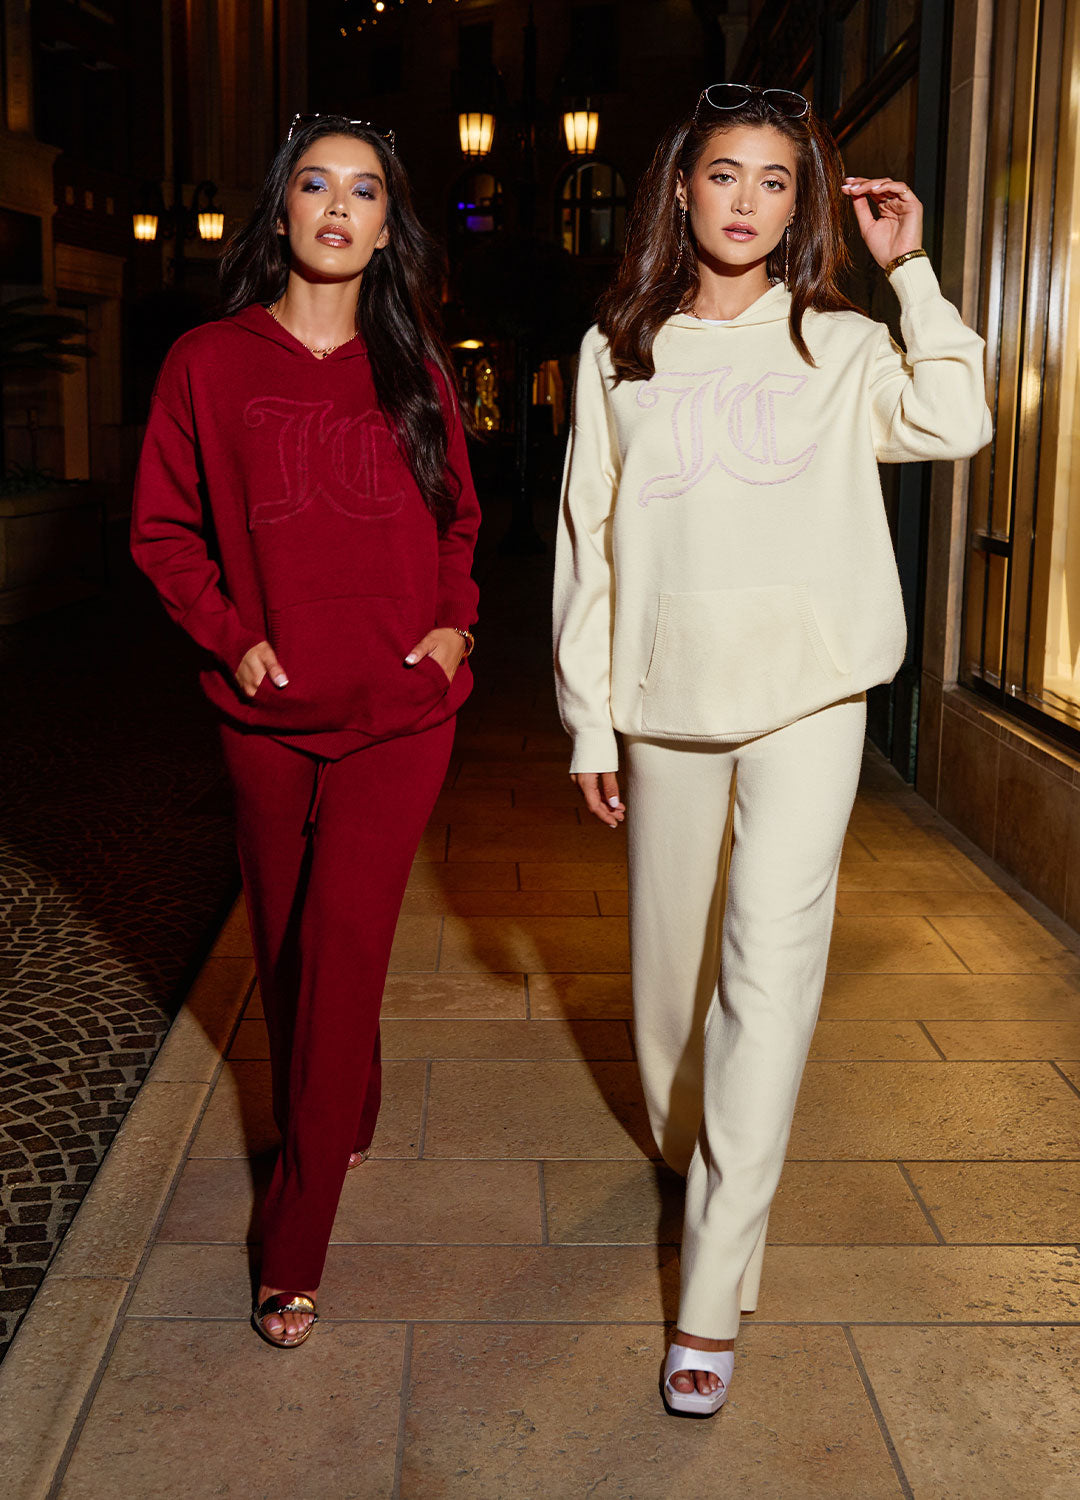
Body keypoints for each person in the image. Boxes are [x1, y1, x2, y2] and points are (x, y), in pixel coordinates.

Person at [552, 83, 990, 1415]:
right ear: (680, 188)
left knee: (770, 978)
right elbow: (592, 543)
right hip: (667, 699)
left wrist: (910, 273)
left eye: (776, 182)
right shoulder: (620, 346)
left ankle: (711, 1289)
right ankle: (703, 1166)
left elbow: (958, 420)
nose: (748, 200)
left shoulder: (844, 344)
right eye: (726, 174)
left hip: (812, 698)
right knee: (670, 995)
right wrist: (589, 715)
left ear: (804, 206)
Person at [131, 114, 480, 1348]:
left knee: (342, 951)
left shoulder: (418, 369)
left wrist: (454, 629)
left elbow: (458, 528)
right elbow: (162, 533)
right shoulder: (207, 364)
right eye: (317, 185)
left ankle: (295, 1242)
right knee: (287, 952)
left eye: (367, 190)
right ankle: (353, 1096)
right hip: (266, 719)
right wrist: (232, 633)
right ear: (278, 210)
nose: (340, 207)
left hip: (399, 715)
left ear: (389, 226)